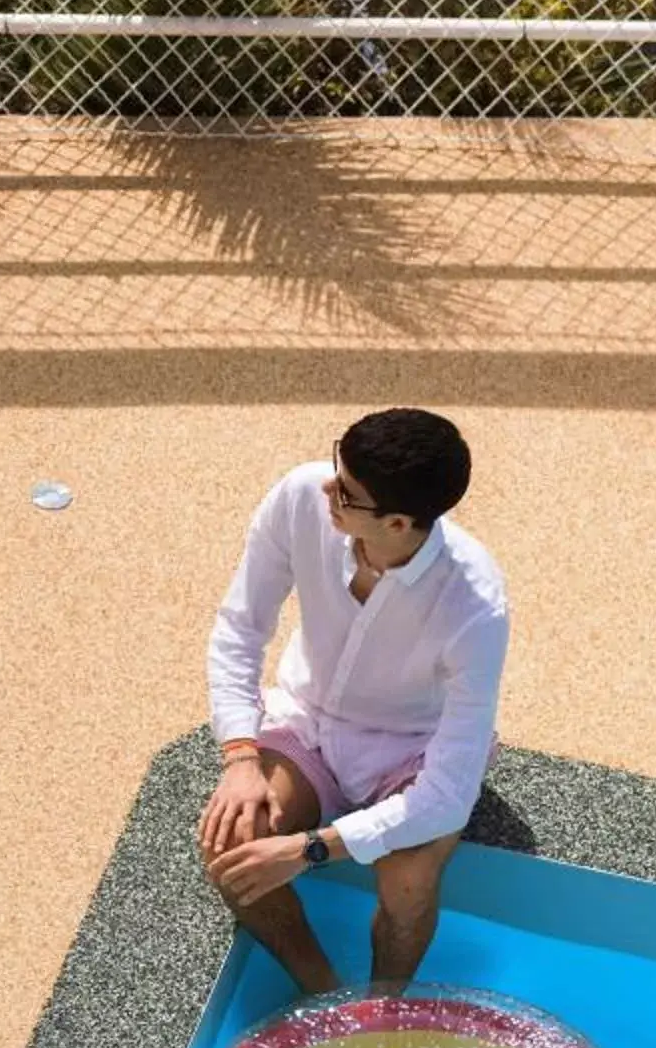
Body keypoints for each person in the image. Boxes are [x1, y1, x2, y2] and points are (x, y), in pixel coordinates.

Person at [198, 409, 510, 996]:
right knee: (230, 841)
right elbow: (240, 628)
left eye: (346, 491)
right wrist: (241, 757)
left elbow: (446, 796)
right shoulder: (300, 498)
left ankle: (380, 1005)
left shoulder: (476, 608)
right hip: (304, 719)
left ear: (396, 522)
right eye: (338, 466)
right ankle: (322, 993)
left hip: (410, 751)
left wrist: (310, 848)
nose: (326, 489)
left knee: (410, 882)